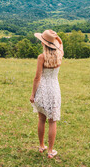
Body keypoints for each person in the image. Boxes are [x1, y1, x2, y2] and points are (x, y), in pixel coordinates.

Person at [30, 29, 64, 159]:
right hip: (54, 88)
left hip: (43, 89)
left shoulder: (41, 57)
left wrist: (33, 94)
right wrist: (56, 38)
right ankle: (50, 151)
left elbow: (37, 78)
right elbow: (61, 44)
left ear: (44, 43)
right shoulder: (60, 53)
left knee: (41, 119)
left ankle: (41, 146)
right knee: (52, 121)